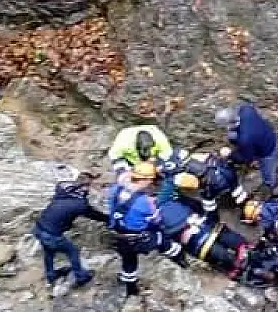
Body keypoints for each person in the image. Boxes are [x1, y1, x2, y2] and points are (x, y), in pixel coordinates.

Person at [104, 161, 175, 296]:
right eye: (152, 180)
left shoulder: (115, 189)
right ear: (147, 179)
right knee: (163, 238)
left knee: (129, 263)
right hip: (138, 240)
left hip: (118, 236)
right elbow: (157, 220)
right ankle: (178, 259)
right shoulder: (145, 201)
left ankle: (131, 290)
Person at [31, 165, 101, 289]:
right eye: (89, 186)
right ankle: (80, 276)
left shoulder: (62, 191)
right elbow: (94, 215)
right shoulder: (80, 204)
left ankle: (51, 275)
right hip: (52, 235)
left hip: (39, 228)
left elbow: (63, 184)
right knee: (72, 251)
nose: (90, 189)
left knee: (49, 252)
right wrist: (110, 219)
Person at [216, 102, 278, 192]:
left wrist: (229, 154)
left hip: (268, 150)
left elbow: (245, 158)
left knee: (268, 174)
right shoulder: (246, 110)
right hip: (268, 132)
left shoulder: (245, 139)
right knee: (233, 137)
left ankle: (272, 186)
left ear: (229, 123)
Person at [169, 150, 248, 216]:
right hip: (226, 172)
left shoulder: (183, 172)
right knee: (237, 190)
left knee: (209, 205)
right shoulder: (197, 155)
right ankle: (245, 205)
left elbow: (193, 184)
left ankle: (213, 219)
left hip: (211, 185)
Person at [107, 124, 174, 178]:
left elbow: (168, 155)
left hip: (153, 160)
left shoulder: (160, 139)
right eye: (144, 150)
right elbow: (114, 157)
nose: (147, 152)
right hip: (130, 161)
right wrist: (124, 172)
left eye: (148, 149)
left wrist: (158, 167)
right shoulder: (124, 142)